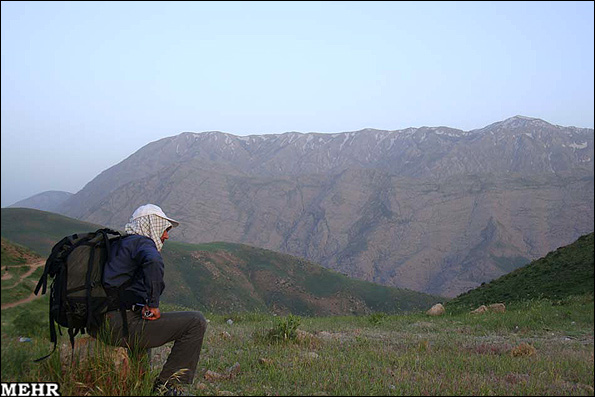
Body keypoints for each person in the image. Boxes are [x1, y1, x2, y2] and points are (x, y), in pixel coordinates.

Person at [90, 204, 207, 396]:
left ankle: (138, 386)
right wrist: (153, 303)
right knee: (196, 321)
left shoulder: (119, 244)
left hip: (101, 323)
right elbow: (153, 261)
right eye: (165, 229)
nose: (166, 236)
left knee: (142, 322)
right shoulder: (142, 243)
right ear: (152, 225)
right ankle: (166, 387)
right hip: (119, 324)